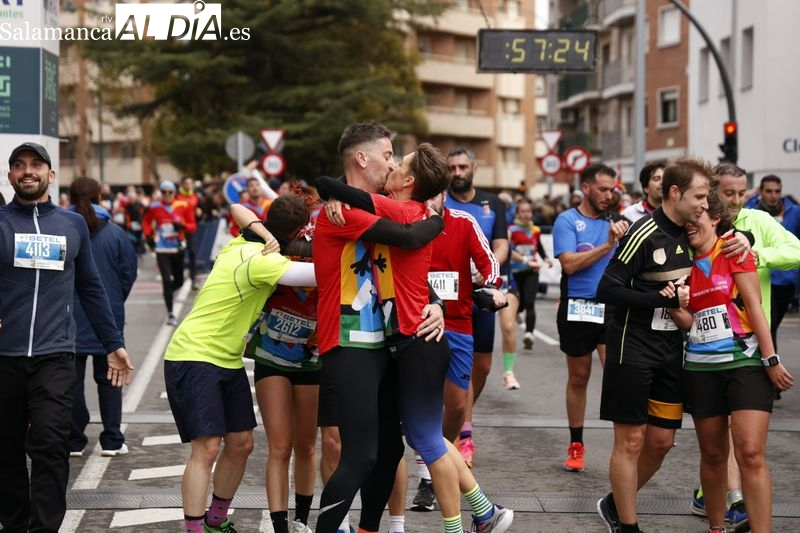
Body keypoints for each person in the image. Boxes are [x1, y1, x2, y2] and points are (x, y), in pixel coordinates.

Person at [318, 142, 513, 533]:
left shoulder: (405, 210)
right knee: (425, 439)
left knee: (428, 441)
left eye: (398, 161)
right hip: (409, 340)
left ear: (409, 181)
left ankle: (469, 522)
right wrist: (330, 194)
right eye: (388, 155)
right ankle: (484, 510)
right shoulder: (415, 210)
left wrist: (332, 189)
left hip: (416, 341)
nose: (391, 163)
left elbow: (363, 202)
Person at [312, 123, 446, 533]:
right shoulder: (343, 212)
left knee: (389, 452)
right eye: (388, 154)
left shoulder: (373, 203)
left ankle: (369, 528)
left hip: (385, 342)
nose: (392, 161)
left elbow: (405, 272)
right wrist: (436, 220)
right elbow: (406, 238)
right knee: (362, 455)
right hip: (349, 342)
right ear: (361, 159)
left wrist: (435, 304)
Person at [164, 193, 318, 533]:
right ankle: (194, 530)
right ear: (299, 231)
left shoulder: (243, 240)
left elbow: (237, 208)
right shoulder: (263, 262)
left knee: (242, 443)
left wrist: (264, 234)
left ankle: (216, 521)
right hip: (194, 354)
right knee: (205, 449)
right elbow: (321, 275)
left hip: (226, 358)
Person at [0, 142, 134, 533]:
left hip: (55, 356)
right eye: (19, 165)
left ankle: (44, 527)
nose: (28, 171)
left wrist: (114, 343)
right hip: (4, 358)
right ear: (10, 176)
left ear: (50, 175)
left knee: (50, 443)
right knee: (6, 450)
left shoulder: (72, 225)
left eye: (36, 165)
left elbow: (92, 288)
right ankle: (14, 521)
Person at [595, 157, 716, 533]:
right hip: (631, 346)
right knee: (631, 441)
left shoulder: (694, 229)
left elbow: (734, 234)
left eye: (707, 198)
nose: (704, 205)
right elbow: (607, 288)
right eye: (699, 196)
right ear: (675, 193)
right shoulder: (643, 232)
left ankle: (614, 502)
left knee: (661, 442)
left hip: (670, 348)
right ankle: (628, 526)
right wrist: (658, 299)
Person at [663, 190, 793, 533]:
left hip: (744, 363)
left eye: (697, 218)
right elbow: (692, 324)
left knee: (750, 452)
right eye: (685, 221)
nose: (690, 225)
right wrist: (676, 307)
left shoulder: (735, 251)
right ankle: (717, 528)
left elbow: (755, 308)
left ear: (715, 218)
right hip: (701, 368)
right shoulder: (681, 264)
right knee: (715, 456)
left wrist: (771, 359)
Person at [413, 190, 505, 512]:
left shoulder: (464, 223)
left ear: (443, 194)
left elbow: (488, 260)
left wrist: (492, 286)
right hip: (418, 324)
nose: (430, 199)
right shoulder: (407, 223)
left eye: (435, 192)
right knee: (420, 404)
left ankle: (442, 451)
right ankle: (428, 475)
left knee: (455, 404)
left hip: (459, 325)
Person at [552, 163, 629, 473]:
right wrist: (608, 245)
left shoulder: (620, 222)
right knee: (579, 377)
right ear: (586, 188)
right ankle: (576, 443)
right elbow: (569, 264)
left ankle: (625, 444)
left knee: (617, 375)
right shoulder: (567, 220)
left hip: (611, 307)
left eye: (612, 189)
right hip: (577, 306)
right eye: (602, 189)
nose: (608, 195)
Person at [444, 146, 508, 467]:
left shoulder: (492, 203)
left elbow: (501, 245)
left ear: (474, 167)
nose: (457, 173)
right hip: (449, 297)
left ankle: (461, 414)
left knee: (481, 367)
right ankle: (462, 434)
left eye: (462, 167)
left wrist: (486, 270)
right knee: (461, 367)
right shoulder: (440, 200)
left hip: (481, 290)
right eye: (451, 167)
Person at [68, 177, 138, 458]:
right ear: (100, 197)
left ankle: (73, 439)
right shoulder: (116, 234)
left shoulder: (65, 229)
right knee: (111, 378)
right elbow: (128, 273)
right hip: (107, 315)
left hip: (69, 315)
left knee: (69, 382)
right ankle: (111, 439)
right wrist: (113, 300)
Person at [750, 174, 800, 348]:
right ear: (761, 192)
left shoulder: (794, 212)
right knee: (767, 326)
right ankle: (770, 360)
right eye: (769, 191)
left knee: (773, 325)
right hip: (759, 278)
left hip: (784, 280)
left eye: (777, 191)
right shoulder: (750, 211)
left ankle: (769, 359)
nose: (773, 195)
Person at [142, 180, 195, 325]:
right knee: (166, 280)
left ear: (174, 193)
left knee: (179, 281)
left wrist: (182, 226)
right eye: (164, 192)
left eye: (169, 192)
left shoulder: (183, 205)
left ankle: (168, 293)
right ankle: (171, 313)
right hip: (162, 249)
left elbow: (192, 225)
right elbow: (146, 222)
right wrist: (148, 236)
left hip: (178, 248)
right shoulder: (154, 207)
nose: (167, 195)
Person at [509, 197, 553, 355]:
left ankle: (529, 334)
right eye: (523, 211)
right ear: (517, 213)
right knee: (518, 304)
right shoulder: (511, 230)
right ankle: (517, 313)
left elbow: (539, 247)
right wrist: (522, 259)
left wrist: (547, 258)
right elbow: (508, 250)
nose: (526, 214)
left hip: (532, 271)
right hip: (516, 272)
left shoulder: (536, 230)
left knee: (530, 302)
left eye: (528, 211)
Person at [177, 176, 202, 290]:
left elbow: (201, 209)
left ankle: (193, 279)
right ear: (182, 184)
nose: (188, 185)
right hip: (179, 229)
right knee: (180, 253)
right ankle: (179, 278)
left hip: (191, 228)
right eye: (186, 183)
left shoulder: (195, 197)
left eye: (190, 183)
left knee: (192, 253)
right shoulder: (177, 197)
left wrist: (199, 211)